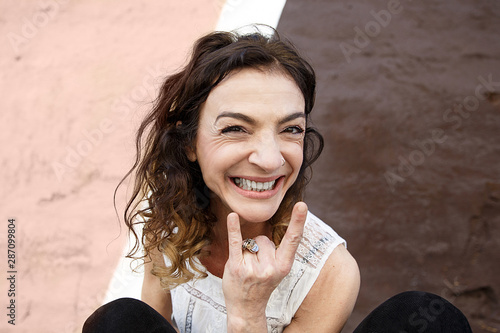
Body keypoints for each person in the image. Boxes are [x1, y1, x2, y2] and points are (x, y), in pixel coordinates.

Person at [83, 28, 472, 333]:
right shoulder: (169, 222)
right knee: (119, 320)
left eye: (291, 130)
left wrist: (248, 314)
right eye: (235, 128)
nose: (270, 159)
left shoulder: (329, 273)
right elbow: (152, 320)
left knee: (426, 319)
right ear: (189, 144)